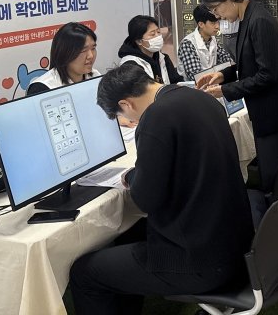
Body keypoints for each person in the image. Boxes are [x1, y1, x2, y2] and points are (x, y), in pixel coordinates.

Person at [69, 62, 254, 315]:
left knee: (84, 272)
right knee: (130, 232)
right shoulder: (200, 98)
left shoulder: (156, 118)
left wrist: (132, 177)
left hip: (199, 261)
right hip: (235, 244)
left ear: (126, 104)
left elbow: (146, 200)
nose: (129, 122)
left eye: (123, 118)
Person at [196, 0, 278, 192]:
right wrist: (224, 74)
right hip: (270, 110)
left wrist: (225, 90)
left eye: (217, 9)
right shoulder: (247, 17)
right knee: (274, 173)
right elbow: (251, 61)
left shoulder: (259, 20)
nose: (218, 15)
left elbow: (267, 75)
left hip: (275, 112)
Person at [27, 22, 100, 96]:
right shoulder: (42, 88)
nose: (91, 56)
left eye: (93, 48)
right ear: (65, 53)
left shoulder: (95, 76)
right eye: (83, 50)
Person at [118, 15, 183, 85]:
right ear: (139, 41)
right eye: (152, 34)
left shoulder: (163, 58)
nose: (158, 37)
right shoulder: (130, 65)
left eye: (158, 32)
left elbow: (176, 82)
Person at [177, 4, 233, 81]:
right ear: (201, 24)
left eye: (218, 22)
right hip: (192, 89)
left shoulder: (213, 39)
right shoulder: (187, 44)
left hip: (211, 85)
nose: (217, 26)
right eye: (213, 23)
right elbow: (195, 76)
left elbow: (229, 62)